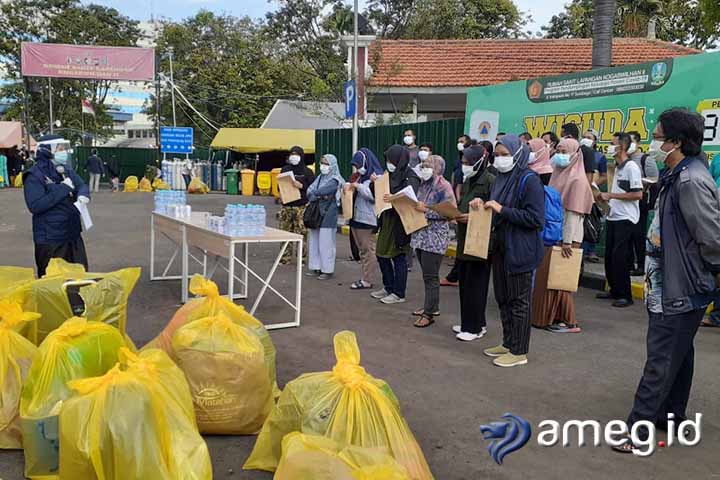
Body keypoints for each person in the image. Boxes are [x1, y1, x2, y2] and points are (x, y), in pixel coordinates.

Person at [615, 108, 720, 453]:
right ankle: (671, 415)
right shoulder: (677, 174)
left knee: (661, 356)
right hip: (670, 280)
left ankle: (637, 430)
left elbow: (712, 238)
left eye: (658, 135)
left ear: (676, 142)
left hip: (680, 284)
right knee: (680, 351)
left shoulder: (691, 181)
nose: (653, 140)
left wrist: (705, 275)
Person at [481, 134, 545, 368]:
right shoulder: (500, 178)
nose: (500, 160)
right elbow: (495, 209)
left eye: (505, 155)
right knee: (503, 298)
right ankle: (508, 342)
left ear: (517, 154)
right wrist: (483, 206)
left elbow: (536, 219)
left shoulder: (529, 180)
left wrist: (502, 209)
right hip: (501, 247)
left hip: (521, 249)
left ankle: (519, 351)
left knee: (519, 301)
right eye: (497, 156)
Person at [532, 138, 594, 333]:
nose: (559, 154)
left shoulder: (577, 180)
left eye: (564, 150)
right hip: (553, 236)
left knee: (560, 281)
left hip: (567, 239)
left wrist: (566, 241)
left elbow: (573, 214)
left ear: (576, 154)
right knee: (549, 281)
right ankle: (550, 317)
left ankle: (569, 321)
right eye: (558, 149)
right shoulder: (558, 174)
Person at [23, 145, 90, 276]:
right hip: (51, 239)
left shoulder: (66, 169)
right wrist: (64, 188)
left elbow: (81, 184)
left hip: (72, 234)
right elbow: (35, 205)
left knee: (78, 277)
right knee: (53, 282)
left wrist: (83, 194)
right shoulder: (34, 175)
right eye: (59, 149)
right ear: (48, 151)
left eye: (64, 149)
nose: (64, 152)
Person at [452, 145, 496, 341]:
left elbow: (493, 212)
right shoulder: (470, 179)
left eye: (468, 163)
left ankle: (474, 328)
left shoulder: (490, 181)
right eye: (463, 163)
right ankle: (472, 322)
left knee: (476, 286)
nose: (464, 166)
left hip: (480, 241)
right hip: (465, 239)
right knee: (465, 284)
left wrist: (473, 217)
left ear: (479, 161)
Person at [596, 133, 643, 308]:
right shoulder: (615, 167)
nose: (608, 146)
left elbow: (638, 194)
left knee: (620, 257)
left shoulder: (631, 167)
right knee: (609, 256)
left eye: (611, 143)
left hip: (626, 218)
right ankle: (614, 290)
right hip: (613, 215)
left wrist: (612, 195)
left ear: (622, 147)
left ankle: (625, 295)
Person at [410, 154, 456, 328]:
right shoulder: (424, 184)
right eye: (423, 165)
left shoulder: (444, 186)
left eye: (429, 165)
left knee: (431, 277)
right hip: (421, 236)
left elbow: (450, 212)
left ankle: (428, 314)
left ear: (438, 167)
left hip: (435, 238)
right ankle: (431, 306)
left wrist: (425, 210)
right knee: (427, 275)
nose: (424, 168)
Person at [371, 145, 420, 305]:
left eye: (391, 160)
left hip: (400, 222)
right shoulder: (389, 175)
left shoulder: (410, 177)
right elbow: (378, 194)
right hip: (386, 219)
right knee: (381, 253)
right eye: (387, 160)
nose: (389, 163)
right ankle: (388, 286)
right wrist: (375, 183)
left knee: (398, 256)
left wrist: (394, 198)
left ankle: (399, 292)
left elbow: (410, 200)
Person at [347, 148, 384, 290]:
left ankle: (368, 279)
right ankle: (365, 277)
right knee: (362, 250)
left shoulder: (377, 176)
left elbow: (374, 197)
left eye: (358, 165)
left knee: (368, 250)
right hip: (356, 217)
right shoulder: (358, 176)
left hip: (368, 219)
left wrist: (359, 187)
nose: (357, 168)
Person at [306, 154, 344, 280]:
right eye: (322, 163)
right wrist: (317, 194)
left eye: (326, 163)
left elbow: (323, 190)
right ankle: (315, 267)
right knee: (314, 239)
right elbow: (310, 190)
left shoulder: (335, 179)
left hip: (329, 213)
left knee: (326, 242)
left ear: (332, 165)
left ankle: (327, 270)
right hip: (317, 213)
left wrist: (316, 194)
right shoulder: (319, 177)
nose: (323, 166)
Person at [627, 130, 660, 277]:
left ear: (638, 143)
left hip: (641, 201)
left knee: (638, 234)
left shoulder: (645, 159)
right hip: (625, 201)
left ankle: (641, 264)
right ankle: (628, 264)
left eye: (632, 141)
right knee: (627, 235)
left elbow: (654, 179)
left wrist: (638, 182)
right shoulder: (623, 160)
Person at [279, 146, 315, 264]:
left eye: (297, 154)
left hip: (301, 206)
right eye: (292, 154)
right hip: (286, 206)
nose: (294, 157)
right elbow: (280, 186)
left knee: (302, 233)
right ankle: (285, 258)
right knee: (285, 232)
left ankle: (302, 258)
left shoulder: (308, 172)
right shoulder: (285, 170)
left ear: (302, 156)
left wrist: (302, 186)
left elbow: (313, 189)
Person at [581, 129, 607, 264]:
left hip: (592, 193)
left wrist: (593, 184)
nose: (585, 139)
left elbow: (604, 176)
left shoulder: (600, 157)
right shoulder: (577, 153)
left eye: (589, 137)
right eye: (584, 137)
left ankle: (591, 251)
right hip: (579, 193)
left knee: (593, 220)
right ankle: (580, 249)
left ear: (595, 140)